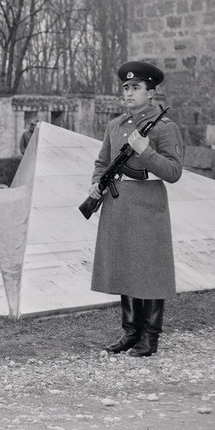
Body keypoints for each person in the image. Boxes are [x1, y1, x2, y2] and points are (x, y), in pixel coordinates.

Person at [87, 61, 184, 357]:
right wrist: (96, 184)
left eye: (136, 88)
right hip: (118, 205)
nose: (128, 93)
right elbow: (102, 162)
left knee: (151, 272)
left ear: (151, 93)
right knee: (125, 267)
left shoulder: (165, 127)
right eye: (126, 88)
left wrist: (146, 151)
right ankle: (130, 332)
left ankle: (150, 336)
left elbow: (174, 171)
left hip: (148, 206)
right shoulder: (114, 125)